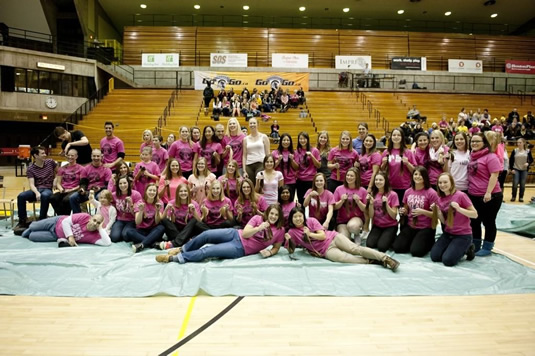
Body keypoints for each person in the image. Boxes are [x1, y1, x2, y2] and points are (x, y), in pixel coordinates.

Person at [156, 204, 286, 264]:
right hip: (235, 234)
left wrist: (270, 252)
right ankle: (181, 249)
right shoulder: (258, 218)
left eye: (276, 214)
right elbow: (246, 234)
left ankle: (175, 258)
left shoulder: (280, 231)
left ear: (279, 216)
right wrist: (259, 228)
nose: (273, 216)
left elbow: (276, 247)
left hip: (240, 249)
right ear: (267, 213)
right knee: (206, 235)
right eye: (271, 213)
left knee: (207, 251)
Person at [285, 207, 399, 271]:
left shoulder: (311, 221)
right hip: (325, 251)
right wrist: (289, 240)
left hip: (333, 238)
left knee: (355, 249)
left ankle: (385, 258)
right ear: (291, 219)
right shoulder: (292, 232)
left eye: (300, 216)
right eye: (295, 217)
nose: (298, 219)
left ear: (303, 216)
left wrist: (309, 234)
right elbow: (291, 251)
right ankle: (372, 260)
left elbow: (323, 236)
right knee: (345, 258)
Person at [430, 173, 477, 266]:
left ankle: (468, 248)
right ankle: (453, 247)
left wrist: (459, 209)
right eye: (440, 183)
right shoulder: (440, 198)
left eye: (445, 182)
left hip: (462, 235)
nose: (442, 185)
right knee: (435, 257)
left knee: (448, 261)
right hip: (448, 234)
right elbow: (444, 222)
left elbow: (475, 214)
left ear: (451, 182)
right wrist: (438, 212)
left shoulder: (461, 195)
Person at [468, 133, 503, 257]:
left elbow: (495, 175)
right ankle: (476, 244)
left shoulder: (491, 157)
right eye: (472, 141)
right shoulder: (472, 157)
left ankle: (488, 246)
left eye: (477, 141)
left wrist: (488, 192)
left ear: (484, 143)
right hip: (474, 194)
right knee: (475, 221)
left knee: (489, 221)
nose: (474, 143)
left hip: (490, 196)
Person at [393, 166, 438, 257]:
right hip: (411, 226)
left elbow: (437, 215)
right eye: (415, 174)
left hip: (425, 227)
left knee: (416, 252)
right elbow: (406, 208)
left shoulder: (431, 193)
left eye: (421, 175)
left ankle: (429, 242)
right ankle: (414, 240)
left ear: (425, 177)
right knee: (398, 248)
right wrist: (403, 211)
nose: (417, 176)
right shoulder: (408, 191)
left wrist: (423, 212)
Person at [14, 146, 57, 232]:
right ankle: (22, 220)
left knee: (45, 195)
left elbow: (59, 172)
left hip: (47, 189)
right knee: (21, 196)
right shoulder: (31, 168)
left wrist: (55, 181)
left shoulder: (50, 162)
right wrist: (37, 193)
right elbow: (31, 184)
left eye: (45, 153)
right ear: (35, 155)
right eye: (42, 153)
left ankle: (42, 219)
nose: (45, 155)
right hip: (36, 189)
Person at [21, 213, 110, 247]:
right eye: (94, 220)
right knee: (32, 227)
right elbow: (65, 222)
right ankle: (26, 229)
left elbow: (107, 243)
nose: (95, 223)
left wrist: (101, 228)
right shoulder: (84, 216)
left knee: (32, 236)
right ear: (90, 218)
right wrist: (70, 237)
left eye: (98, 223)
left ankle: (28, 231)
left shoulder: (95, 236)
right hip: (56, 222)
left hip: (55, 235)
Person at [159, 183, 202, 250]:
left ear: (188, 193)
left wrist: (194, 211)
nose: (183, 193)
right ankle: (186, 241)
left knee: (194, 220)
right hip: (175, 230)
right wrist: (166, 209)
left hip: (188, 231)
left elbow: (199, 221)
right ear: (177, 193)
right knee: (164, 220)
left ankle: (175, 243)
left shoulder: (194, 203)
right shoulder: (172, 202)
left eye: (185, 191)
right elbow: (164, 219)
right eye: (181, 191)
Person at [365, 171, 399, 252]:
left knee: (382, 247)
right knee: (370, 244)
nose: (378, 182)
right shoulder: (373, 194)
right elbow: (371, 216)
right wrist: (371, 204)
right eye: (376, 180)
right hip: (377, 225)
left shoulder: (393, 194)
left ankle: (392, 237)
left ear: (385, 181)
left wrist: (386, 204)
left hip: (390, 226)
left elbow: (394, 216)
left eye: (380, 180)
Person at [69, 149, 112, 214]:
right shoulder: (86, 168)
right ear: (91, 156)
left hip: (100, 191)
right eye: (94, 156)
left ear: (101, 157)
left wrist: (100, 188)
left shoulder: (106, 169)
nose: (96, 158)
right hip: (88, 191)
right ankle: (78, 217)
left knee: (100, 198)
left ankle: (101, 217)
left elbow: (109, 185)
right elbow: (83, 182)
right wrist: (82, 189)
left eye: (98, 156)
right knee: (72, 198)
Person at [127, 183, 165, 253]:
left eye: (154, 191)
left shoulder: (159, 203)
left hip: (153, 230)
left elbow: (157, 222)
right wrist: (141, 211)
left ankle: (142, 245)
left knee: (161, 227)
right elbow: (137, 222)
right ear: (146, 191)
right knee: (129, 231)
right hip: (141, 230)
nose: (152, 192)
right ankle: (153, 244)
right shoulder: (139, 202)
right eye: (150, 190)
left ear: (156, 192)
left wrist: (157, 210)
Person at [381, 128, 416, 203]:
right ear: (391, 137)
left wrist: (408, 163)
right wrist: (383, 164)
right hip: (389, 186)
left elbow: (414, 171)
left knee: (402, 211)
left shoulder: (408, 152)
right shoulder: (386, 152)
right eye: (394, 135)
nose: (396, 137)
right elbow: (381, 170)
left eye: (398, 135)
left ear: (402, 137)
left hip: (404, 187)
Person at [333, 167, 367, 244]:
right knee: (344, 241)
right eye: (347, 175)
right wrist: (341, 201)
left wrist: (358, 202)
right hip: (342, 220)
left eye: (352, 176)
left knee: (352, 226)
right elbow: (334, 207)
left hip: (356, 218)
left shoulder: (362, 190)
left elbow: (365, 209)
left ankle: (356, 233)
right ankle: (347, 234)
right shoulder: (339, 189)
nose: (349, 177)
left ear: (356, 178)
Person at [49, 149, 82, 216]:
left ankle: (66, 217)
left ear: (76, 157)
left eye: (72, 155)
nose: (70, 157)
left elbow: (81, 184)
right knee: (53, 198)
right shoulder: (62, 168)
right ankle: (61, 216)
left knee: (66, 200)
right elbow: (58, 182)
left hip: (75, 190)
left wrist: (71, 190)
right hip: (64, 190)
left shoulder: (81, 168)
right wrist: (61, 189)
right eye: (68, 155)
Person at [110, 176, 142, 243]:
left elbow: (136, 214)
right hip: (120, 219)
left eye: (125, 183)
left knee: (126, 237)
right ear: (118, 185)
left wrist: (131, 204)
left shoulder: (136, 194)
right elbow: (111, 206)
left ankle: (128, 231)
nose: (122, 185)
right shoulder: (114, 195)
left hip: (132, 220)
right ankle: (121, 231)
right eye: (120, 183)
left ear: (129, 184)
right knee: (114, 238)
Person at [295, 131, 321, 205]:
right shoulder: (297, 151)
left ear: (307, 139)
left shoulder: (314, 150)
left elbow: (318, 165)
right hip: (300, 180)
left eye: (304, 139)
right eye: (300, 139)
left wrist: (312, 156)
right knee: (301, 201)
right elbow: (296, 167)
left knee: (312, 203)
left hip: (311, 180)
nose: (302, 140)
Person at [273, 133, 298, 199]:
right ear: (281, 141)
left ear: (290, 142)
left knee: (290, 199)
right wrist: (278, 161)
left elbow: (297, 168)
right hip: (279, 180)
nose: (286, 142)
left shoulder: (294, 152)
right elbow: (271, 167)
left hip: (291, 181)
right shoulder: (275, 152)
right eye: (284, 140)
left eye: (288, 140)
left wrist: (292, 160)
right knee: (279, 200)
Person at [509, 137, 533, 202]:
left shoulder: (528, 151)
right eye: (517, 142)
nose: (518, 144)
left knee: (522, 184)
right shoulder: (514, 150)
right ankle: (513, 196)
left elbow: (531, 160)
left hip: (524, 170)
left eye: (520, 142)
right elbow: (511, 160)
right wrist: (511, 169)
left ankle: (521, 197)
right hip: (516, 168)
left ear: (523, 143)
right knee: (515, 184)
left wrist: (528, 163)